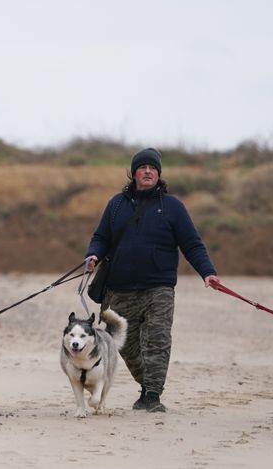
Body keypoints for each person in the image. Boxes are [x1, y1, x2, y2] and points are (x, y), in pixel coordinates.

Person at [84, 147, 220, 413]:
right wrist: (93, 255)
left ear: (158, 174)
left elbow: (192, 244)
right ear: (134, 173)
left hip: (159, 288)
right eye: (143, 167)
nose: (148, 171)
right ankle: (147, 384)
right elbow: (101, 237)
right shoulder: (116, 205)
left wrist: (208, 272)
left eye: (153, 168)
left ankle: (152, 394)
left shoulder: (172, 207)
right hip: (119, 289)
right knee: (124, 345)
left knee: (158, 340)